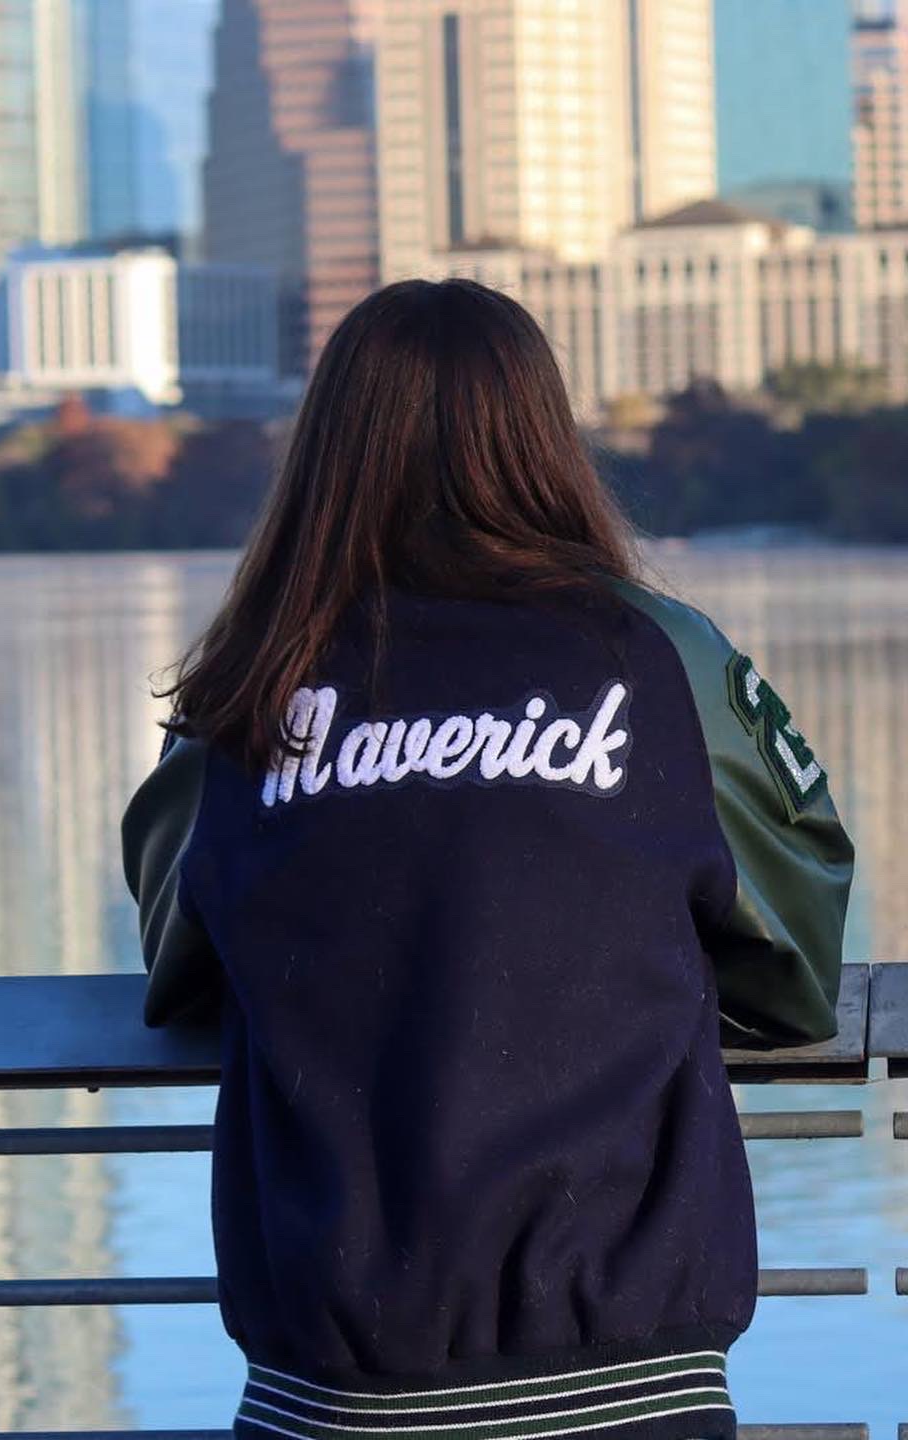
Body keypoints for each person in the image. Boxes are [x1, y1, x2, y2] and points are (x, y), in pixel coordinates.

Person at [120, 279, 853, 1440]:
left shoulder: (245, 690)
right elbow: (799, 964)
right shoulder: (665, 659)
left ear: (326, 452)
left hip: (331, 1395)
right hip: (632, 1389)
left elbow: (180, 964)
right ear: (541, 435)